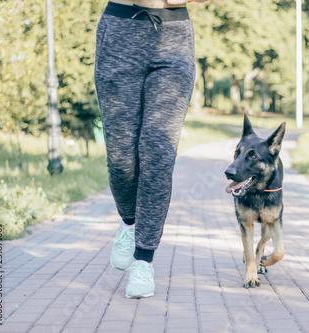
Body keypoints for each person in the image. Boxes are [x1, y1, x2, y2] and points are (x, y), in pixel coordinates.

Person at [94, 0, 208, 299]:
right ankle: (129, 223)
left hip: (173, 37)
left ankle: (143, 259)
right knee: (121, 157)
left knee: (159, 149)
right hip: (120, 33)